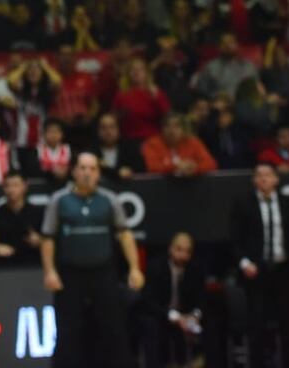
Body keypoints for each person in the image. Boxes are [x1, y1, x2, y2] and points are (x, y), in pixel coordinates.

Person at [41, 151, 145, 368]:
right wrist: (50, 271)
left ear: (98, 173)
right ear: (74, 171)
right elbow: (48, 237)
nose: (87, 173)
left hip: (103, 271)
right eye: (83, 168)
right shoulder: (59, 200)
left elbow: (125, 234)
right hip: (70, 274)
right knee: (68, 329)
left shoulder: (110, 199)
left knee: (112, 327)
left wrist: (135, 268)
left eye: (92, 169)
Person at [232, 161, 289, 368]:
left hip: (283, 270)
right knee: (257, 326)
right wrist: (244, 262)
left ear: (276, 179)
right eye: (259, 175)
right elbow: (235, 238)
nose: (264, 178)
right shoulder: (243, 203)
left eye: (268, 174)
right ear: (254, 180)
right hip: (256, 272)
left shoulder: (287, 203)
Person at [139, 232, 204, 368]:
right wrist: (173, 316)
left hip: (186, 316)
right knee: (150, 324)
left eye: (187, 251)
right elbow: (149, 301)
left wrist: (195, 314)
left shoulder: (195, 269)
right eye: (179, 249)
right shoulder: (156, 267)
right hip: (162, 315)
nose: (183, 255)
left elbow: (200, 298)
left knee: (209, 322)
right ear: (171, 249)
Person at [0, 170, 45, 265]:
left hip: (33, 264)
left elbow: (49, 240)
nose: (11, 190)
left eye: (15, 185)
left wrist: (40, 241)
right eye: (7, 186)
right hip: (3, 265)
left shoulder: (38, 212)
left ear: (25, 186)